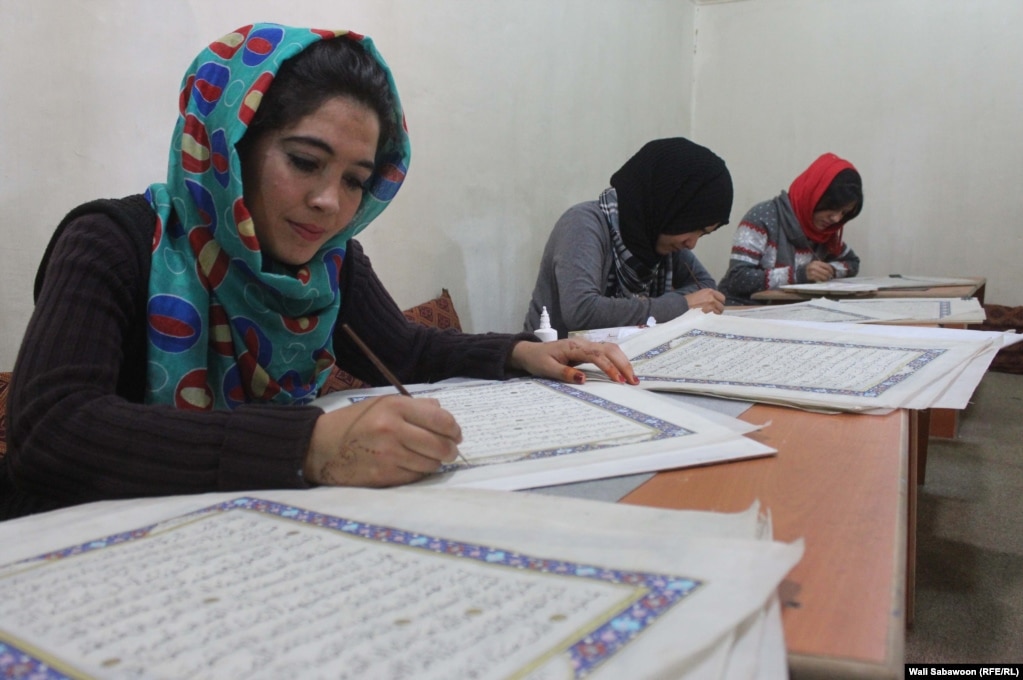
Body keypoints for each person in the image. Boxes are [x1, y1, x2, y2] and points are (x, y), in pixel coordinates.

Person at [1, 24, 636, 520]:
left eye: (356, 181)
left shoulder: (325, 262)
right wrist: (310, 445)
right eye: (306, 161)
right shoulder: (112, 242)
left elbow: (407, 348)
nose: (331, 203)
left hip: (260, 532)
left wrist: (522, 352)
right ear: (231, 146)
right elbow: (52, 427)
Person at [523, 138, 733, 339]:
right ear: (668, 206)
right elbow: (582, 312)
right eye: (692, 227)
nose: (692, 243)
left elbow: (705, 288)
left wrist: (674, 305)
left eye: (703, 234)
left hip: (625, 361)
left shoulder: (660, 241)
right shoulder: (583, 223)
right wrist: (680, 306)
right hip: (559, 365)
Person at [717, 153, 864, 305]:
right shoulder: (762, 218)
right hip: (743, 310)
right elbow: (738, 278)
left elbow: (852, 262)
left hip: (789, 313)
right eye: (832, 208)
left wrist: (829, 270)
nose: (836, 219)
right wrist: (798, 274)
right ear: (814, 195)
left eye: (844, 213)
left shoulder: (824, 233)